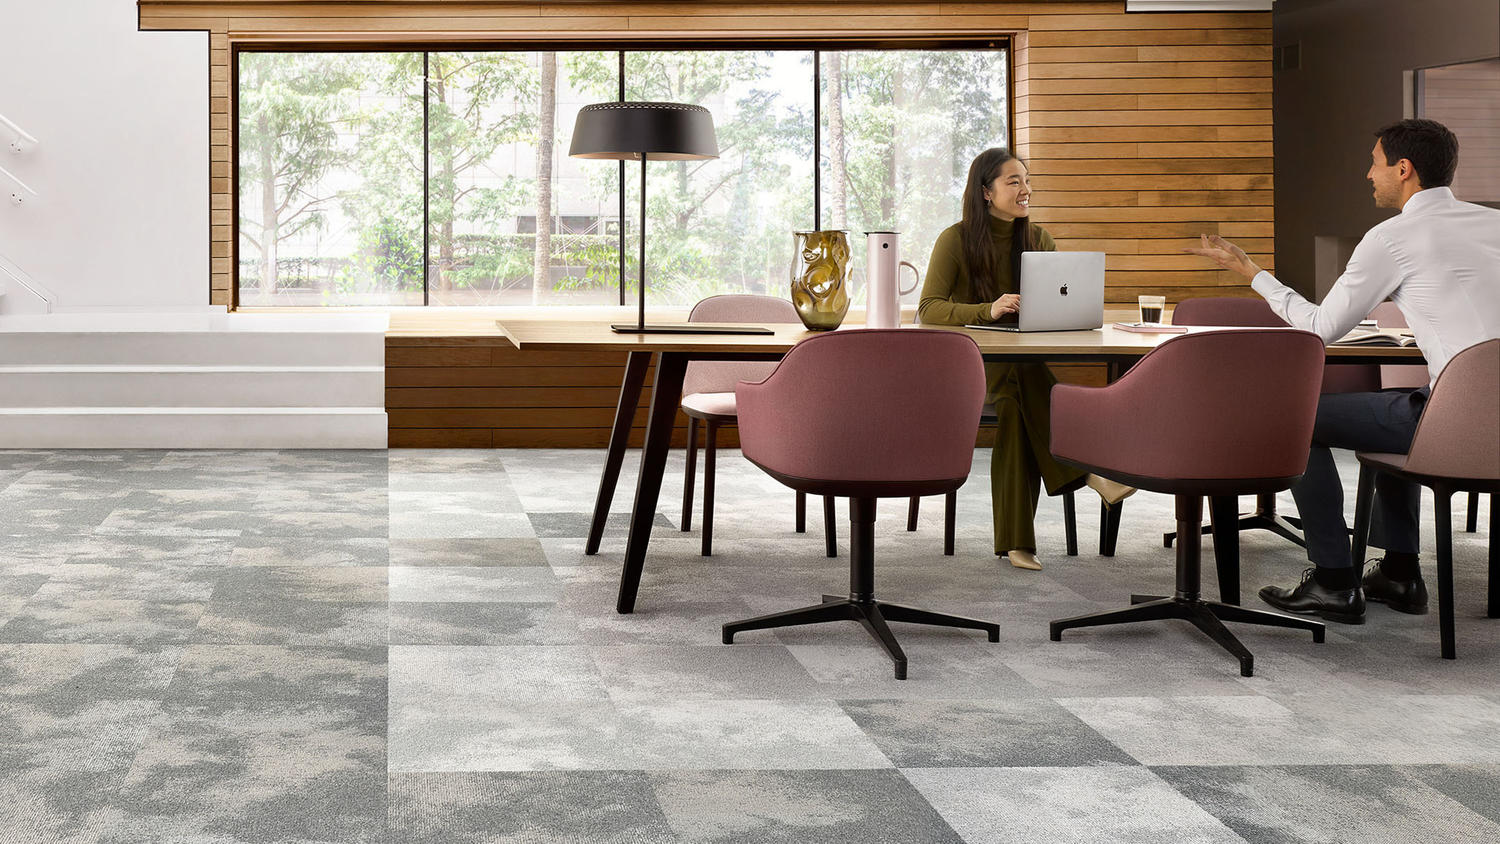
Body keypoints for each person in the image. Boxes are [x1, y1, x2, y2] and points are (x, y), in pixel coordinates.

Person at [1187, 118, 1500, 623]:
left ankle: (1333, 580)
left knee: (1294, 422)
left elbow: (1320, 327)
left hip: (1451, 420)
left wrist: (1255, 275)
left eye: (1375, 163)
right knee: (1396, 413)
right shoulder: (1495, 224)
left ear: (1404, 169)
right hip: (1489, 426)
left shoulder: (1393, 237)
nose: (1367, 174)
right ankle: (1398, 574)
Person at [919, 148, 1134, 571]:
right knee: (1021, 380)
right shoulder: (954, 240)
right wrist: (988, 309)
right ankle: (1087, 469)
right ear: (986, 191)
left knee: (1017, 404)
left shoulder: (1039, 241)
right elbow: (928, 310)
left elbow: (1055, 303)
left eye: (1027, 181)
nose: (1025, 190)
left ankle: (1018, 543)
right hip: (967, 367)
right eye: (1013, 181)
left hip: (1021, 363)